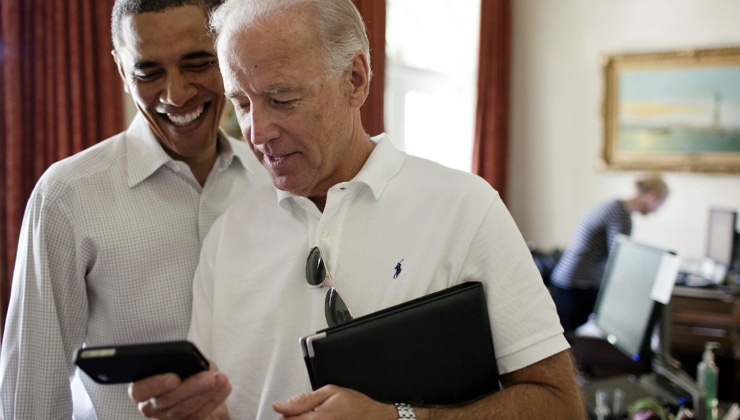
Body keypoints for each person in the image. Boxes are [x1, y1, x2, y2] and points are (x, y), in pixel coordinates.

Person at [129, 0, 584, 418]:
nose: (257, 131)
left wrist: (398, 418)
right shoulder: (228, 235)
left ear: (356, 79)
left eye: (282, 98)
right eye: (241, 103)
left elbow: (560, 405)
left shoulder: (465, 207)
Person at [0, 0, 268, 418]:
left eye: (197, 63)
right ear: (123, 71)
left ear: (229, 55)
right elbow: (30, 393)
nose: (176, 94)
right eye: (149, 72)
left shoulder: (273, 180)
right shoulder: (66, 197)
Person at [550, 174, 669, 334]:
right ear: (651, 195)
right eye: (659, 204)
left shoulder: (614, 206)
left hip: (569, 279)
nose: (657, 211)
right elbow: (620, 259)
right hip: (578, 284)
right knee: (573, 340)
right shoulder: (620, 214)